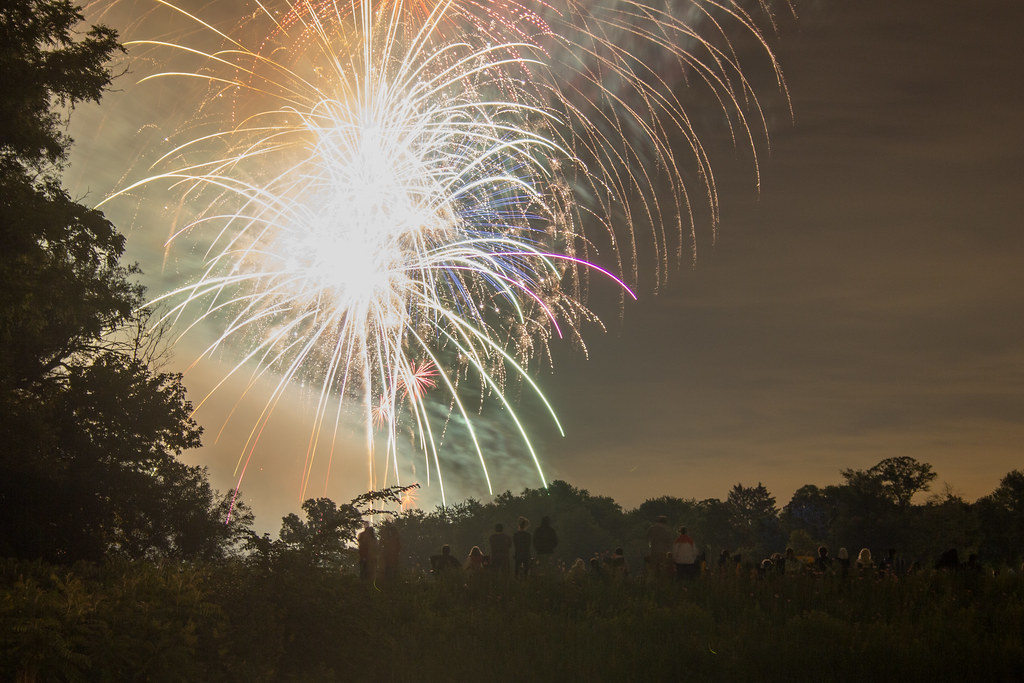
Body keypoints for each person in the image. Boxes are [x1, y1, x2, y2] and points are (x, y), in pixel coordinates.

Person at [646, 515, 674, 579]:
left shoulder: (652, 528)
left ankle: (652, 582)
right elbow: (670, 542)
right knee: (663, 568)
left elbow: (647, 539)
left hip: (654, 551)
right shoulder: (667, 530)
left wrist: (649, 547)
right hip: (664, 552)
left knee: (652, 569)